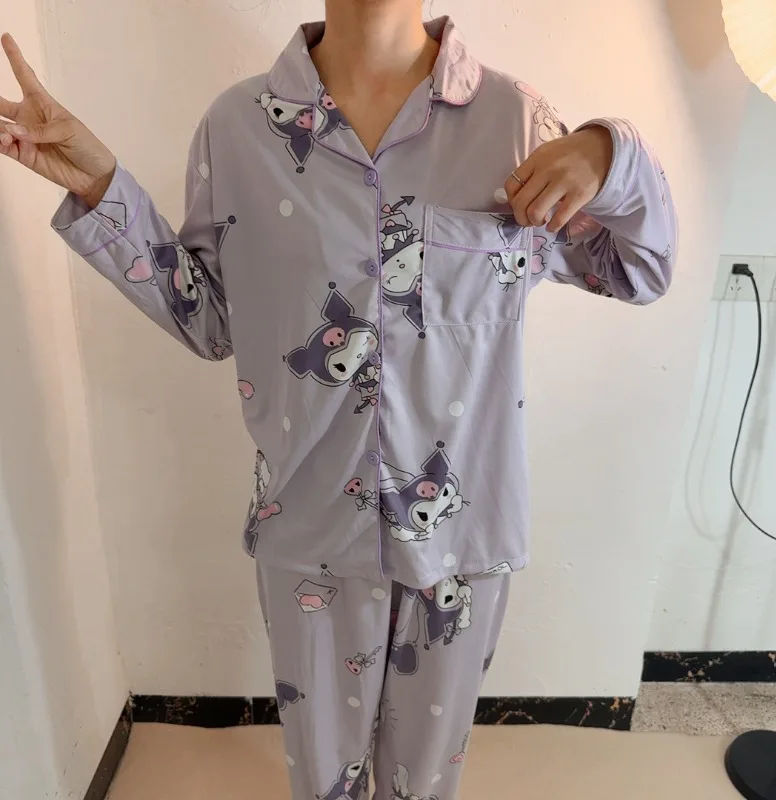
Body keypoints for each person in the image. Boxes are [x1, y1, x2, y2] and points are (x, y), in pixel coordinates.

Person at [0, 2, 677, 798]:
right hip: (308, 529)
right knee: (324, 784)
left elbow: (638, 269)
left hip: (459, 538)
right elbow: (211, 321)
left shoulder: (515, 123)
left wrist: (610, 152)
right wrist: (98, 184)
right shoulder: (238, 129)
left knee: (424, 786)